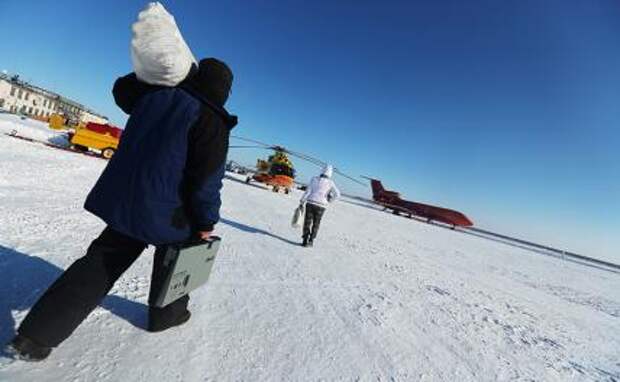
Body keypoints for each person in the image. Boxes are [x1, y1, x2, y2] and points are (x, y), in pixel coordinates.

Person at [6, 58, 237, 361]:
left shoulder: (155, 96)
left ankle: (34, 339)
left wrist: (167, 73)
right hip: (169, 211)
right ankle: (165, 317)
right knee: (180, 258)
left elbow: (122, 90)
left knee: (100, 263)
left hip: (128, 199)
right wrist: (207, 220)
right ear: (223, 91)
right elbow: (206, 181)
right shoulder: (212, 120)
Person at [299, 165, 341, 247]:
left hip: (310, 203)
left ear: (321, 171)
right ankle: (311, 241)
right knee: (316, 223)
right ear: (330, 173)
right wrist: (329, 201)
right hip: (321, 206)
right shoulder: (331, 183)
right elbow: (337, 194)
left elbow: (308, 191)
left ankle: (304, 240)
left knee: (307, 222)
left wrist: (302, 201)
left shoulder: (314, 179)